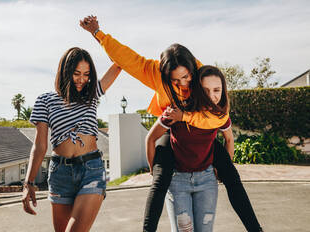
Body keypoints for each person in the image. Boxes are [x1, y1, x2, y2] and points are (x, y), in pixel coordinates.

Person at [80, 16, 263, 232]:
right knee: (160, 180)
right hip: (173, 132)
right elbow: (127, 58)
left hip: (201, 133)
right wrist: (97, 33)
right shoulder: (155, 73)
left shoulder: (203, 75)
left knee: (232, 177)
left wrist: (185, 117)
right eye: (175, 80)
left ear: (192, 70)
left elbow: (219, 117)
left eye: (186, 77)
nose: (183, 84)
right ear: (165, 75)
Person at [21, 47, 122, 232]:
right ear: (65, 72)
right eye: (77, 74)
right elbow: (39, 145)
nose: (82, 79)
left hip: (91, 170)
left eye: (86, 74)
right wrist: (29, 183)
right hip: (60, 173)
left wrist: (96, 33)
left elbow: (119, 63)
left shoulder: (91, 95)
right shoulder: (45, 101)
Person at [147, 65, 232, 232]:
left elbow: (229, 139)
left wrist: (222, 168)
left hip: (207, 181)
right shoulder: (176, 111)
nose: (212, 96)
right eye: (205, 90)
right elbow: (150, 139)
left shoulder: (219, 115)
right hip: (178, 181)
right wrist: (153, 169)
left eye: (217, 90)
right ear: (196, 90)